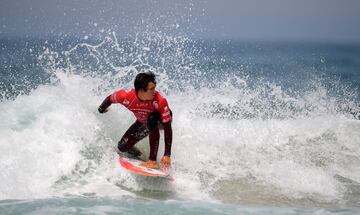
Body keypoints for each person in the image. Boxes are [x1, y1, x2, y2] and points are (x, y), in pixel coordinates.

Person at [98, 71, 173, 169]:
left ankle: (152, 161)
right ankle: (140, 156)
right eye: (151, 89)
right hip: (143, 122)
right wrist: (102, 109)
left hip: (161, 122)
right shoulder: (126, 96)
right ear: (141, 90)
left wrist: (167, 155)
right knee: (122, 147)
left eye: (154, 87)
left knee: (152, 119)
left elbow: (168, 128)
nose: (155, 91)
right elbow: (110, 99)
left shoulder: (160, 101)